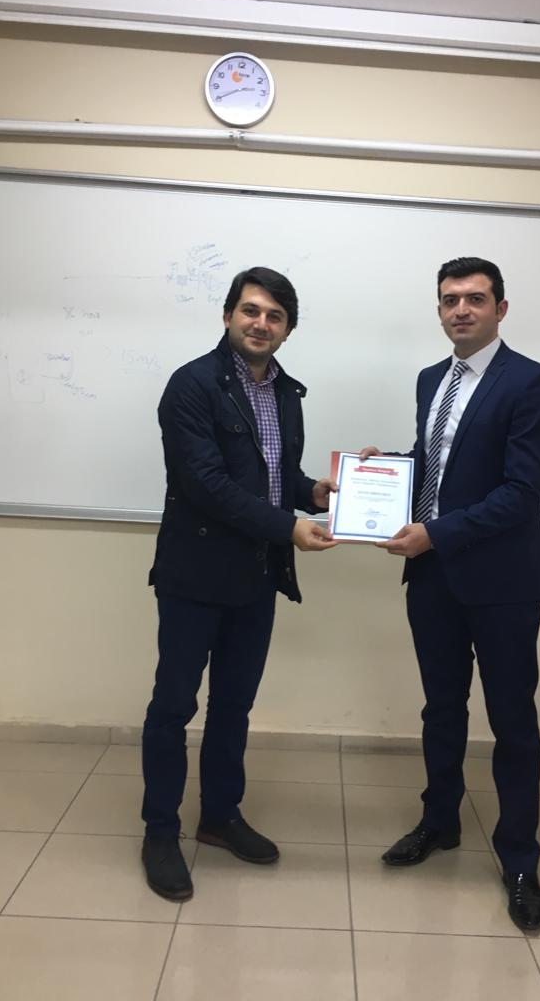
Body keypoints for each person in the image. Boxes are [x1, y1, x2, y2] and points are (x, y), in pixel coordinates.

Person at [361, 257, 540, 932]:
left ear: (500, 308)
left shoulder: (532, 381)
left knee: (513, 722)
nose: (461, 310)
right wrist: (382, 473)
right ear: (440, 309)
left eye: (475, 299)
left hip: (502, 583)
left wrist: (435, 534)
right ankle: (439, 822)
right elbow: (439, 465)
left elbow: (520, 492)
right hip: (434, 579)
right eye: (450, 300)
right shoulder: (431, 379)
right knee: (441, 709)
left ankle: (520, 859)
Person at [142, 266, 337, 901]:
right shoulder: (192, 384)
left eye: (275, 315)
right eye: (251, 310)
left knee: (234, 705)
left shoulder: (285, 392)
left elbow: (272, 475)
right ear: (228, 316)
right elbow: (206, 484)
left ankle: (220, 816)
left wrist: (314, 493)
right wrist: (288, 527)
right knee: (174, 707)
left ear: (287, 329)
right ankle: (160, 832)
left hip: (256, 576)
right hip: (195, 575)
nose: (261, 323)